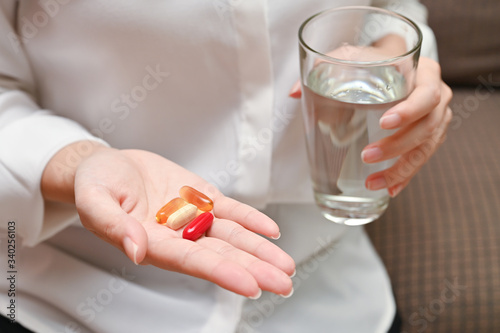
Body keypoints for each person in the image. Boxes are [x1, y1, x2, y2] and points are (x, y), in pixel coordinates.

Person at [0, 0, 452, 332]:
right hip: (69, 300)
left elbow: (390, 9)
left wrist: (397, 57)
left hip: (327, 293)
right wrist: (80, 161)